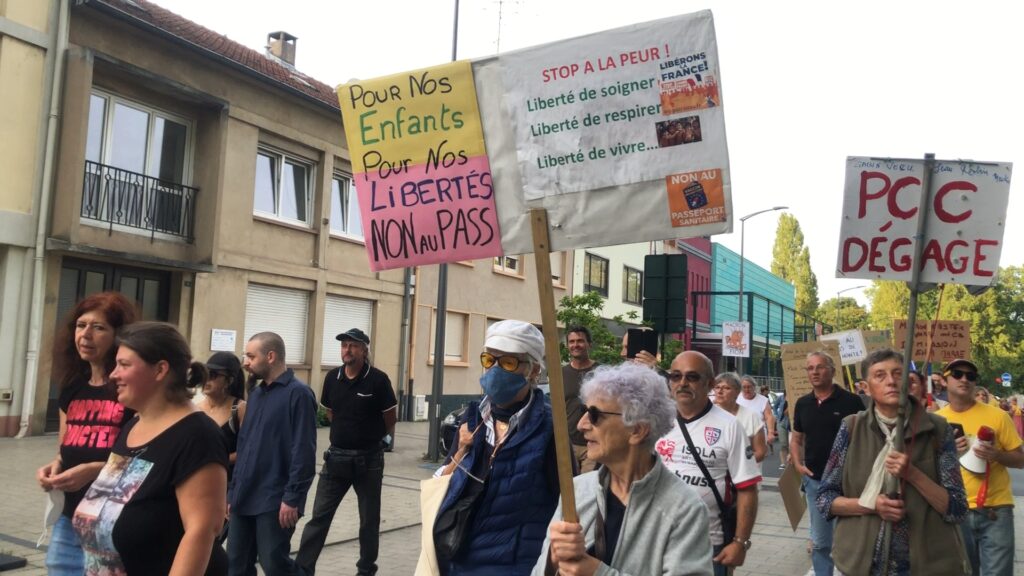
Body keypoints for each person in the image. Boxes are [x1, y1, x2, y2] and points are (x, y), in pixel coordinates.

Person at [73, 322, 229, 574]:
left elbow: (201, 530)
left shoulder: (197, 436)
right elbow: (145, 480)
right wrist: (91, 471)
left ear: (160, 370)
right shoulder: (134, 426)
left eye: (124, 365)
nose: (113, 374)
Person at [534, 363, 713, 576]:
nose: (582, 424)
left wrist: (598, 573)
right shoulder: (577, 490)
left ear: (637, 430)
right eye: (583, 411)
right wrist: (553, 560)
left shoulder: (684, 510)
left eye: (594, 414)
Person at [817, 349, 968, 575]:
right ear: (866, 387)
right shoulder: (851, 427)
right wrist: (870, 504)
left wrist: (913, 474)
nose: (891, 381)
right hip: (860, 563)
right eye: (880, 375)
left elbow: (957, 508)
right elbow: (825, 500)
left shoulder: (937, 429)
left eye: (898, 374)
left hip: (927, 565)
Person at [435, 320, 560, 575]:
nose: (495, 369)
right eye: (489, 360)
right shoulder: (471, 419)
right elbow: (442, 484)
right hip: (456, 556)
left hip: (512, 565)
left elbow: (567, 504)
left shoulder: (550, 429)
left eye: (508, 362)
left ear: (534, 370)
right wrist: (461, 450)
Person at [36, 291, 137, 575]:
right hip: (70, 515)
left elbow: (148, 455)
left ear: (119, 336)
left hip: (112, 517)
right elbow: (65, 446)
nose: (86, 335)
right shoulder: (71, 386)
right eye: (81, 325)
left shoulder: (128, 388)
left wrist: (96, 470)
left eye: (99, 327)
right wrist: (54, 468)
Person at [297, 328, 397, 576]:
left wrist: (370, 437)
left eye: (352, 345)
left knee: (369, 521)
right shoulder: (332, 378)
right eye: (344, 346)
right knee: (318, 518)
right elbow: (330, 412)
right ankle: (302, 569)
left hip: (369, 461)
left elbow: (390, 417)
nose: (347, 350)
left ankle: (365, 570)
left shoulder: (378, 380)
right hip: (336, 459)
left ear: (364, 350)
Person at [655, 351, 761, 576]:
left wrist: (740, 542)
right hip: (656, 537)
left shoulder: (730, 426)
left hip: (707, 543)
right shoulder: (656, 421)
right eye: (676, 376)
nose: (682, 383)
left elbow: (747, 489)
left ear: (710, 384)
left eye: (692, 377)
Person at [228, 332, 318, 576]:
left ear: (270, 356)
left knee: (274, 564)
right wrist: (232, 493)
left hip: (275, 498)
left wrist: (292, 498)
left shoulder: (298, 394)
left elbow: (304, 451)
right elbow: (245, 446)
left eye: (250, 356)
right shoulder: (256, 395)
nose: (245, 362)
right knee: (236, 566)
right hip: (243, 496)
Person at [936, 358, 1024, 575]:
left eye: (970, 376)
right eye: (957, 374)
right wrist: (948, 452)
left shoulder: (998, 416)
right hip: (956, 511)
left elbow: (1020, 459)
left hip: (995, 510)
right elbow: (928, 466)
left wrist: (997, 455)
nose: (964, 379)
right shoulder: (935, 420)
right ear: (945, 381)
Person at [790, 350, 864, 576]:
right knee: (821, 542)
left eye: (820, 367)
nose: (814, 372)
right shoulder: (803, 403)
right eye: (810, 368)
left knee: (849, 540)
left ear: (832, 370)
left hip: (847, 483)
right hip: (815, 482)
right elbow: (797, 437)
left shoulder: (852, 401)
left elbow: (865, 439)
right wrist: (797, 464)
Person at [197, 352, 247, 476]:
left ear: (229, 381)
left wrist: (214, 462)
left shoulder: (240, 408)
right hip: (198, 478)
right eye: (205, 374)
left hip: (228, 481)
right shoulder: (196, 408)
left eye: (213, 375)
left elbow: (247, 450)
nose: (206, 380)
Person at [562, 325, 601, 473]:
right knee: (568, 490)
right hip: (567, 444)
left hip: (592, 442)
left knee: (586, 490)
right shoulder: (561, 374)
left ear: (589, 344)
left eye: (580, 341)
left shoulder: (600, 372)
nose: (575, 345)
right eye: (571, 341)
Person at [713, 373, 767, 463]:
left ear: (737, 392)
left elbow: (760, 452)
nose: (720, 391)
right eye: (717, 387)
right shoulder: (708, 414)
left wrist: (737, 464)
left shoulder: (751, 417)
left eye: (726, 388)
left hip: (743, 474)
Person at [738, 375, 776, 447]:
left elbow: (769, 417)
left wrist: (771, 432)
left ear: (754, 387)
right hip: (739, 435)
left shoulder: (763, 400)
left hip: (758, 435)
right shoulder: (736, 398)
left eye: (749, 387)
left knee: (757, 457)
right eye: (744, 387)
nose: (747, 389)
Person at [773, 391, 790, 470]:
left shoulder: (795, 396)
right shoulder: (781, 397)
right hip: (781, 422)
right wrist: (776, 415)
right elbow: (775, 407)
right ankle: (783, 463)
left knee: (792, 445)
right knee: (783, 444)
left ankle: (791, 462)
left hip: (791, 422)